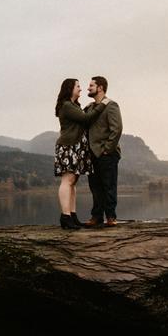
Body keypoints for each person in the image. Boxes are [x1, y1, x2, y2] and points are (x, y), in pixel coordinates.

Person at [53, 78, 104, 230]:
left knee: (72, 182)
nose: (81, 89)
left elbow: (82, 118)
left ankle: (72, 215)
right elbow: (86, 119)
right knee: (67, 180)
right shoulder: (67, 105)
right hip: (68, 147)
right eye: (78, 86)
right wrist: (101, 105)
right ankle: (65, 217)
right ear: (70, 89)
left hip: (76, 147)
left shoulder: (73, 105)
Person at [83, 75, 122, 227]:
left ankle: (111, 217)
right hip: (91, 154)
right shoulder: (89, 108)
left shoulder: (112, 105)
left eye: (91, 85)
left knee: (109, 186)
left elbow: (116, 129)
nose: (88, 88)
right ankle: (96, 217)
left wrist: (107, 149)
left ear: (100, 88)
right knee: (95, 187)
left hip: (107, 154)